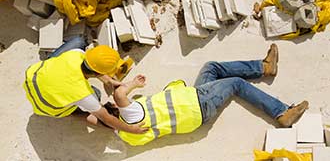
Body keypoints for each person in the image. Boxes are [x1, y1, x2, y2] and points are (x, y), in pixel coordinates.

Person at [109, 44, 309, 146]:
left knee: (210, 68)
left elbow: (97, 116)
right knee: (236, 84)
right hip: (197, 104)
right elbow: (119, 93)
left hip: (193, 105)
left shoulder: (129, 136)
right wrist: (133, 84)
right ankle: (281, 113)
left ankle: (265, 67)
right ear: (117, 112)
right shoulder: (132, 116)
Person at [23, 36, 148, 134]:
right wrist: (131, 130)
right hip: (46, 107)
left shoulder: (75, 54)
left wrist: (108, 81)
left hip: (33, 78)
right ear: (98, 72)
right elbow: (107, 118)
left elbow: (91, 67)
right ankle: (74, 113)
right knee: (97, 96)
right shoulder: (84, 94)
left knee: (78, 41)